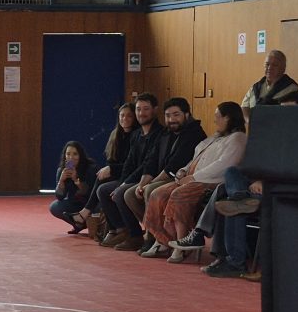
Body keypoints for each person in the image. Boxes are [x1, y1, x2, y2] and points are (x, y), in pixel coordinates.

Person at [141, 102, 247, 262]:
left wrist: (194, 177)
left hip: (210, 182)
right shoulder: (215, 138)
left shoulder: (238, 138)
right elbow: (196, 158)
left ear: (228, 118)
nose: (215, 120)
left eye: (217, 117)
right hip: (192, 178)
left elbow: (224, 165)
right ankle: (162, 240)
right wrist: (183, 170)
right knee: (157, 194)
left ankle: (181, 246)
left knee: (179, 194)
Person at [119, 97, 205, 253]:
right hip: (163, 177)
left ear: (187, 114)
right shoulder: (166, 133)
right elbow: (151, 161)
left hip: (181, 179)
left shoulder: (194, 134)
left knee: (150, 190)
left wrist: (150, 184)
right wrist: (142, 183)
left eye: (176, 115)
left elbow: (174, 165)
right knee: (129, 194)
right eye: (168, 115)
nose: (171, 119)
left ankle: (158, 238)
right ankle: (156, 233)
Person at [98, 93, 163, 249]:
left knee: (121, 193)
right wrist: (122, 182)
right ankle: (121, 229)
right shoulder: (136, 134)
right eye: (138, 109)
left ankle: (136, 236)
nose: (141, 113)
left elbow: (147, 164)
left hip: (151, 177)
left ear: (155, 110)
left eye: (146, 109)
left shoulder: (160, 134)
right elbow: (130, 162)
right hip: (134, 178)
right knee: (103, 190)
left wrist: (124, 184)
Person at [73, 103, 136, 238]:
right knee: (102, 179)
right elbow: (111, 160)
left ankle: (114, 227)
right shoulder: (116, 134)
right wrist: (109, 168)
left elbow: (131, 164)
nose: (124, 119)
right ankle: (111, 229)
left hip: (130, 175)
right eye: (122, 115)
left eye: (129, 116)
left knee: (103, 188)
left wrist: (111, 169)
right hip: (119, 173)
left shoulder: (136, 136)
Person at [48, 141, 97, 234]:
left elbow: (89, 193)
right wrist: (61, 181)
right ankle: (78, 224)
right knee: (55, 207)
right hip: (75, 203)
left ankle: (93, 225)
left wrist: (76, 180)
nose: (71, 157)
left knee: (99, 208)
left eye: (75, 154)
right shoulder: (62, 170)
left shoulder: (91, 168)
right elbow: (59, 197)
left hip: (90, 204)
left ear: (80, 155)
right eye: (68, 154)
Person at [240, 50, 298, 116]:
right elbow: (244, 107)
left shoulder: (291, 89)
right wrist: (249, 120)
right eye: (267, 64)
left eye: (275, 65)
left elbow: (290, 114)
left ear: (283, 68)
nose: (269, 68)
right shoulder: (255, 88)